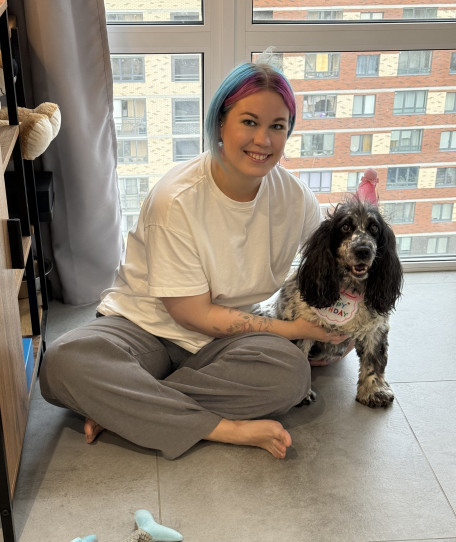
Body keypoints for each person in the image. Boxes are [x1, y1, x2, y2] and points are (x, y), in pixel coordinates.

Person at [40, 58, 348, 460]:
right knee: (63, 363)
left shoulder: (296, 200)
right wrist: (292, 329)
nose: (263, 140)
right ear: (220, 123)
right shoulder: (176, 199)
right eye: (249, 122)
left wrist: (347, 320)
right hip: (144, 330)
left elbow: (330, 267)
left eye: (277, 126)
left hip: (223, 344)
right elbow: (192, 315)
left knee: (291, 374)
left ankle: (126, 408)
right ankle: (224, 429)